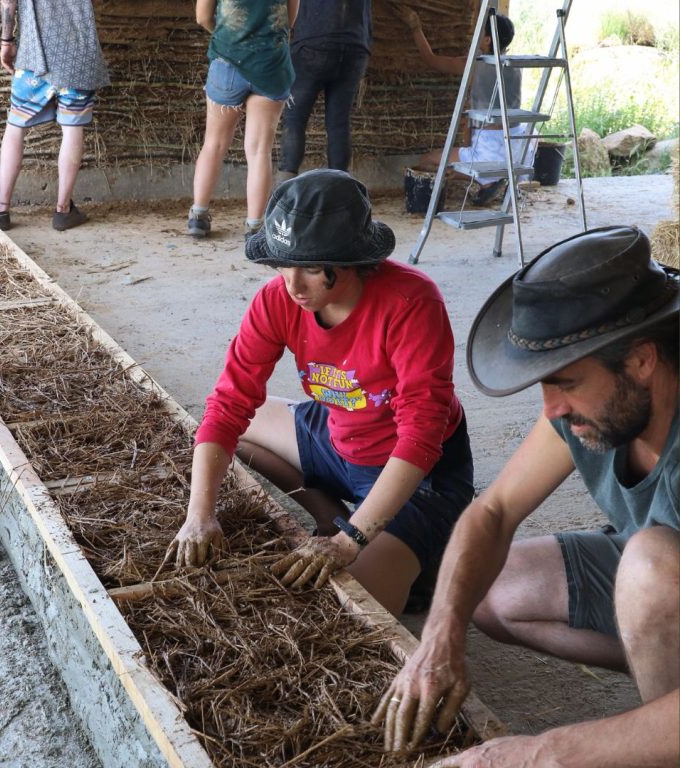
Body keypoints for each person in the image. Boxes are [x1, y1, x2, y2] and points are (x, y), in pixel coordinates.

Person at [373, 226, 679, 766]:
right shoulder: (591, 406)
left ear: (640, 361)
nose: (552, 408)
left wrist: (542, 753)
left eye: (565, 381)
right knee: (491, 588)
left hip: (659, 569)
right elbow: (492, 512)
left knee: (650, 567)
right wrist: (442, 631)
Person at [167, 169, 474, 616]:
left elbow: (421, 433)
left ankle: (403, 546)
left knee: (355, 608)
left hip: (415, 472)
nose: (293, 285)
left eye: (311, 267)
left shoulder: (411, 302)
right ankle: (329, 514)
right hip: (339, 433)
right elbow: (229, 403)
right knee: (238, 428)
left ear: (354, 259)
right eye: (283, 264)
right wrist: (200, 515)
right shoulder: (276, 300)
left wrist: (352, 541)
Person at [0, 0, 110, 232]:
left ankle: (1, 209)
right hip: (78, 57)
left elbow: (8, 1)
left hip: (33, 56)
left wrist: (6, 41)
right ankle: (63, 211)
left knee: (15, 126)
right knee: (72, 129)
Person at [187, 0, 299, 240]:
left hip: (228, 61)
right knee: (259, 150)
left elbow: (202, 17)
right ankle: (255, 226)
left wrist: (229, 37)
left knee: (214, 143)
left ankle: (198, 216)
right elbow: (289, 21)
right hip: (271, 65)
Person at [401, 9, 533, 206]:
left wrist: (415, 27)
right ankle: (494, 179)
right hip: (518, 145)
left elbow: (431, 60)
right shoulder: (515, 66)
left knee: (426, 161)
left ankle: (488, 182)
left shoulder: (473, 65)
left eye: (479, 32)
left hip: (490, 147)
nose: (474, 35)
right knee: (463, 154)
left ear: (487, 40)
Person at [276, 0, 372, 182]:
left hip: (314, 39)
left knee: (295, 119)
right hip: (356, 45)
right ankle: (340, 188)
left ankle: (284, 187)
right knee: (339, 123)